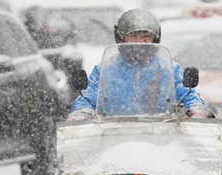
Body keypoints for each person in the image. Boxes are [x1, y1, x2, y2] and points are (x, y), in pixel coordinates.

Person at [67, 9, 209, 121]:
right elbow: (87, 98)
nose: (140, 41)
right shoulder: (104, 70)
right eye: (134, 36)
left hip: (162, 138)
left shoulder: (169, 69)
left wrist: (196, 110)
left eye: (146, 36)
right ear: (121, 38)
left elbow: (188, 96)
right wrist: (81, 113)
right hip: (112, 137)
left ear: (155, 38)